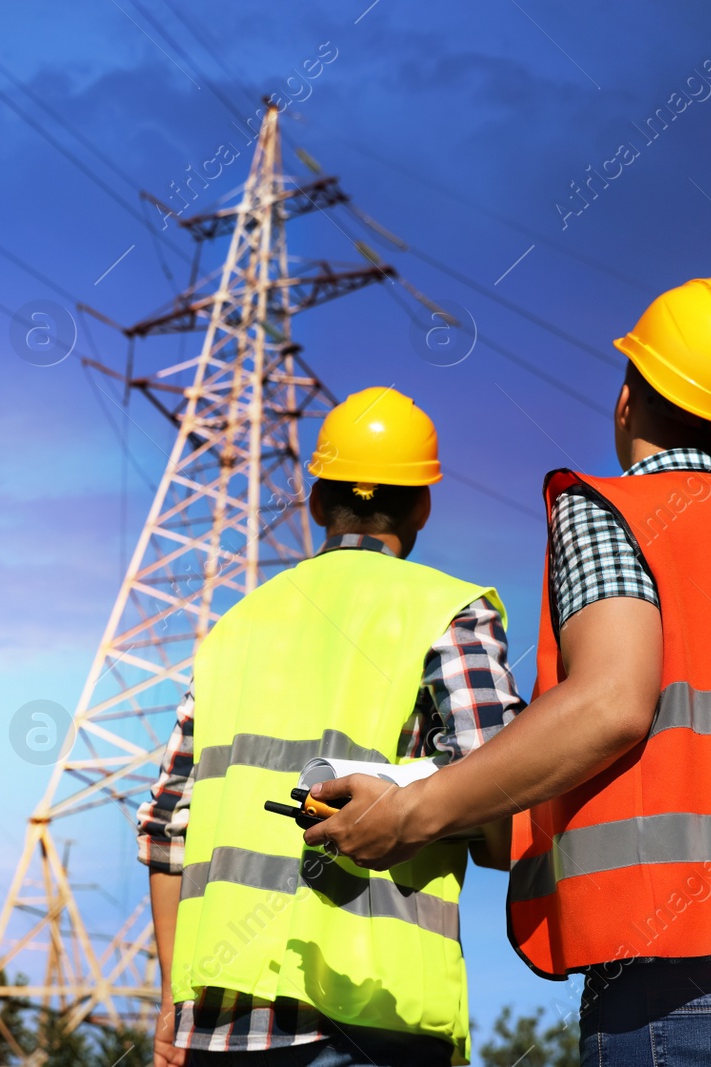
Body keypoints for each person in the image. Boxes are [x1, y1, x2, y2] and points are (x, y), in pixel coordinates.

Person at [305, 278, 711, 1066]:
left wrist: (414, 811)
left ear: (626, 397)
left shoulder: (605, 509)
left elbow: (610, 703)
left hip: (687, 993)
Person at [136, 386, 524, 1067]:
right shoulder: (446, 611)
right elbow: (505, 797)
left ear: (317, 502)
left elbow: (167, 828)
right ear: (424, 504)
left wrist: (173, 999)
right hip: (374, 1016)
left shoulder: (234, 629)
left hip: (219, 1026)